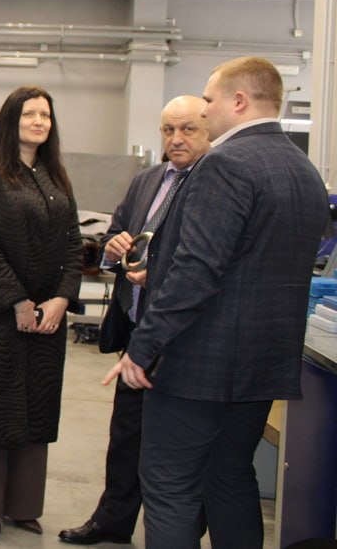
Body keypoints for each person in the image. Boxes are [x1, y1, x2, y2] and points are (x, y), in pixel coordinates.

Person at [105, 57, 329, 548]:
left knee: (169, 488)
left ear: (239, 101)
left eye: (209, 100)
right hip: (261, 367)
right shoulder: (304, 171)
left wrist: (143, 348)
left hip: (200, 368)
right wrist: (160, 267)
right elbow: (250, 263)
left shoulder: (225, 164)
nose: (205, 111)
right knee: (229, 477)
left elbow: (197, 271)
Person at [58, 95, 210, 545]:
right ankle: (112, 520)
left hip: (185, 339)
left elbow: (202, 260)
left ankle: (182, 531)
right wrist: (113, 249)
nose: (176, 139)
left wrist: (157, 270)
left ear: (209, 130)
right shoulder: (147, 180)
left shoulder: (213, 182)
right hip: (137, 330)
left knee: (180, 448)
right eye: (168, 130)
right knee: (126, 435)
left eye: (188, 129)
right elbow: (116, 233)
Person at [0, 85, 83, 540]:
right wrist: (18, 301)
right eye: (30, 114)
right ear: (12, 120)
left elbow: (74, 244)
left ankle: (25, 506)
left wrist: (62, 298)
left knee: (37, 412)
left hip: (48, 318)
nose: (39, 122)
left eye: (45, 115)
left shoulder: (55, 176)